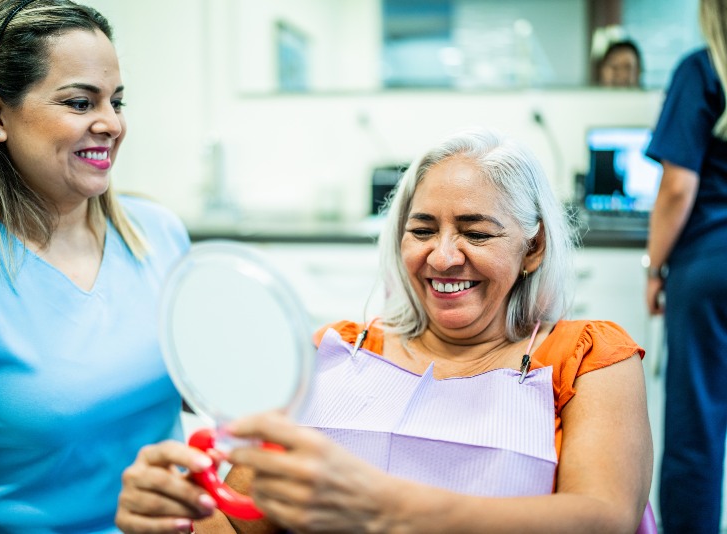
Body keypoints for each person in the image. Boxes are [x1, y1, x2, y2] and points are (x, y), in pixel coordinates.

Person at [115, 127, 654, 534]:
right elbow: (238, 523)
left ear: (532, 247)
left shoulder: (590, 358)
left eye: (475, 232)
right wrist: (174, 516)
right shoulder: (331, 354)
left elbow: (606, 518)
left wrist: (386, 507)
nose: (442, 257)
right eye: (421, 230)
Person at [0, 0, 199, 531]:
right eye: (80, 102)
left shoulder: (157, 233)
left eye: (117, 101)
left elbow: (203, 391)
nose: (112, 124)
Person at [644, 0, 727, 532]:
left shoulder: (703, 69)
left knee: (696, 426)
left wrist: (654, 268)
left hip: (711, 265)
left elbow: (677, 188)